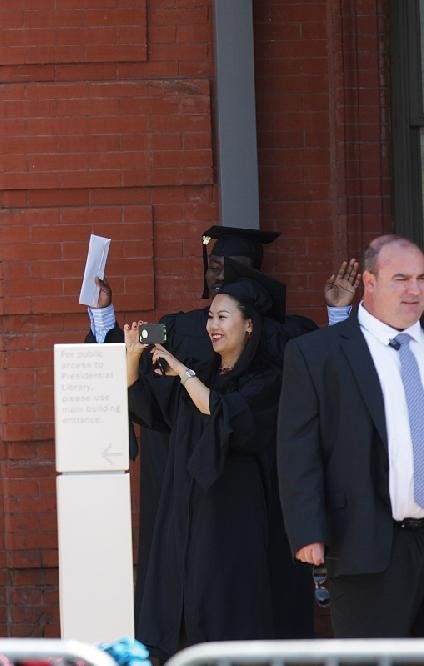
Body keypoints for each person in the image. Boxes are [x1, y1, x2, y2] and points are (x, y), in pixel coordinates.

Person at [87, 225, 358, 637]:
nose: (223, 275)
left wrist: (338, 313)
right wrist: (105, 314)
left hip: (251, 494)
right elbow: (134, 353)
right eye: (215, 266)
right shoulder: (182, 327)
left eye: (234, 267)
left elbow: (330, 367)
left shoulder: (286, 337)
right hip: (188, 489)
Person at [124, 272, 304, 659]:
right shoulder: (202, 374)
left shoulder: (266, 381)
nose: (212, 326)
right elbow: (150, 409)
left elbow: (223, 413)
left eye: (222, 317)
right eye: (209, 317)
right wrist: (133, 358)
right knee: (182, 609)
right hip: (187, 518)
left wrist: (182, 371)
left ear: (249, 324)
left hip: (233, 523)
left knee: (228, 613)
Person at [278, 234, 424, 637]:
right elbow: (298, 450)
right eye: (401, 279)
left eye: (421, 278)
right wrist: (308, 531)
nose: (414, 290)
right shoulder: (317, 353)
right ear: (370, 282)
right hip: (366, 542)